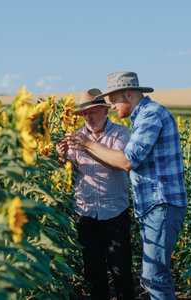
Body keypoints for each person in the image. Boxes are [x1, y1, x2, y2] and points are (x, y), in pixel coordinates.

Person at [66, 72, 188, 300]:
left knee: (154, 277)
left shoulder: (150, 116)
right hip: (152, 205)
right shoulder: (141, 117)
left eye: (112, 100)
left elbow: (126, 161)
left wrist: (86, 145)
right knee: (153, 276)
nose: (111, 106)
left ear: (128, 94)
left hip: (161, 203)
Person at [56, 88, 135, 300]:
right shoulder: (76, 137)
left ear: (105, 111)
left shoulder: (120, 133)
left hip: (115, 211)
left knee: (121, 270)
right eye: (85, 114)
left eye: (92, 112)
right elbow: (69, 173)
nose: (88, 118)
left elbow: (118, 163)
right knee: (93, 271)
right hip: (85, 211)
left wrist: (87, 146)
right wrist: (62, 159)